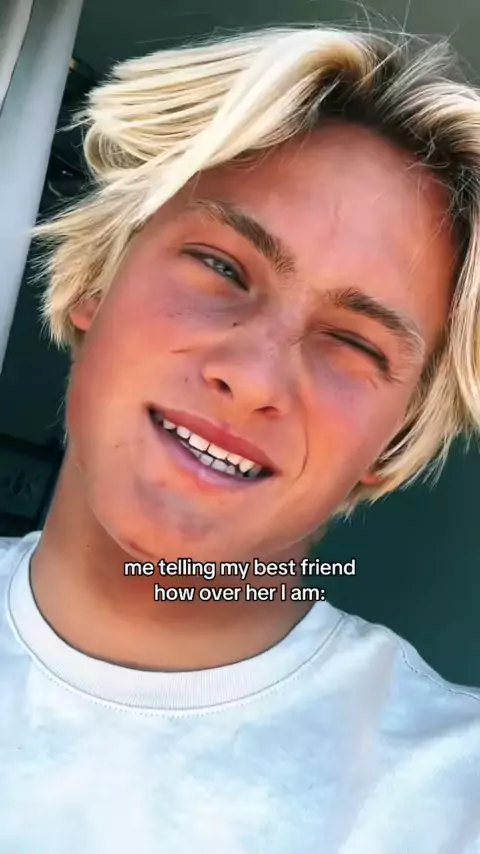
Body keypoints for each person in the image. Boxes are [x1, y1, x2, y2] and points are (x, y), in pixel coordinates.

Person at [1, 22, 480, 853]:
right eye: (223, 267)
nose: (256, 378)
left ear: (389, 444)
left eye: (355, 343)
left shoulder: (448, 799)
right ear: (97, 283)